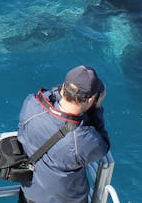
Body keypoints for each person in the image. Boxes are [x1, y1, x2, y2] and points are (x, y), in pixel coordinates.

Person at [17, 65, 110, 203]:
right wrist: (96, 110)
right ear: (91, 99)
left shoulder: (31, 104)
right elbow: (103, 145)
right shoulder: (82, 139)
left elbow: (48, 95)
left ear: (63, 88)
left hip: (29, 194)